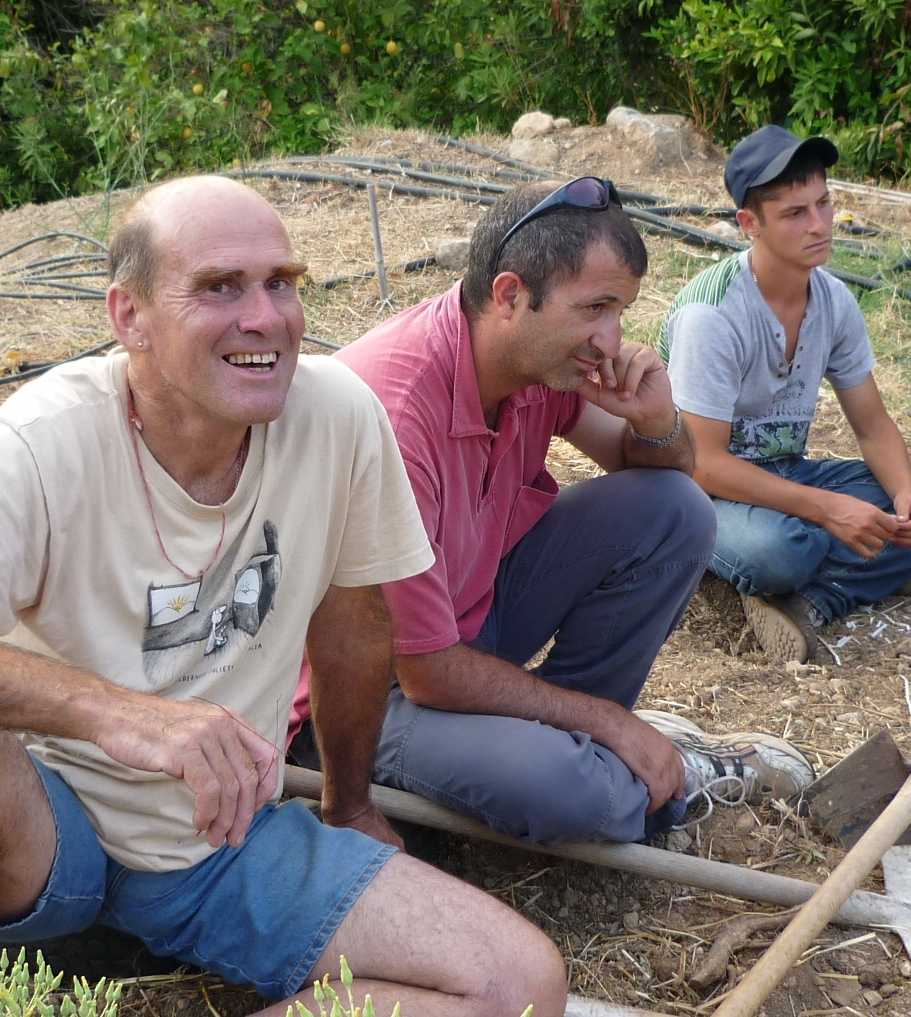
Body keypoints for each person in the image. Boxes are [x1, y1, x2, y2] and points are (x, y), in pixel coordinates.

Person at [0, 176, 566, 1017]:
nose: (265, 317)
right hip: (50, 830)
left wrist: (349, 801)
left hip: (223, 841)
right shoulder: (48, 438)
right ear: (129, 315)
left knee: (519, 989)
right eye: (218, 287)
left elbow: (354, 618)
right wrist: (111, 712)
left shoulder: (338, 417)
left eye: (282, 282)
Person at [290, 176, 814, 848]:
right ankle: (631, 772)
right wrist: (609, 721)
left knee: (674, 510)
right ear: (510, 295)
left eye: (621, 310)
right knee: (578, 798)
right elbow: (426, 672)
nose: (610, 339)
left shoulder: (533, 362)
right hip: (362, 698)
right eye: (594, 308)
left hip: (463, 631)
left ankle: (594, 753)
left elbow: (662, 475)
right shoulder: (395, 411)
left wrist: (657, 419)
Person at [661, 126, 911, 664]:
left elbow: (872, 425)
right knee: (784, 549)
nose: (819, 225)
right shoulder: (711, 315)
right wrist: (831, 510)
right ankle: (808, 569)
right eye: (794, 214)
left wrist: (905, 496)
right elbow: (702, 465)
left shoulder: (834, 300)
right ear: (749, 225)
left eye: (824, 204)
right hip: (700, 495)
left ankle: (811, 600)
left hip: (785, 474)